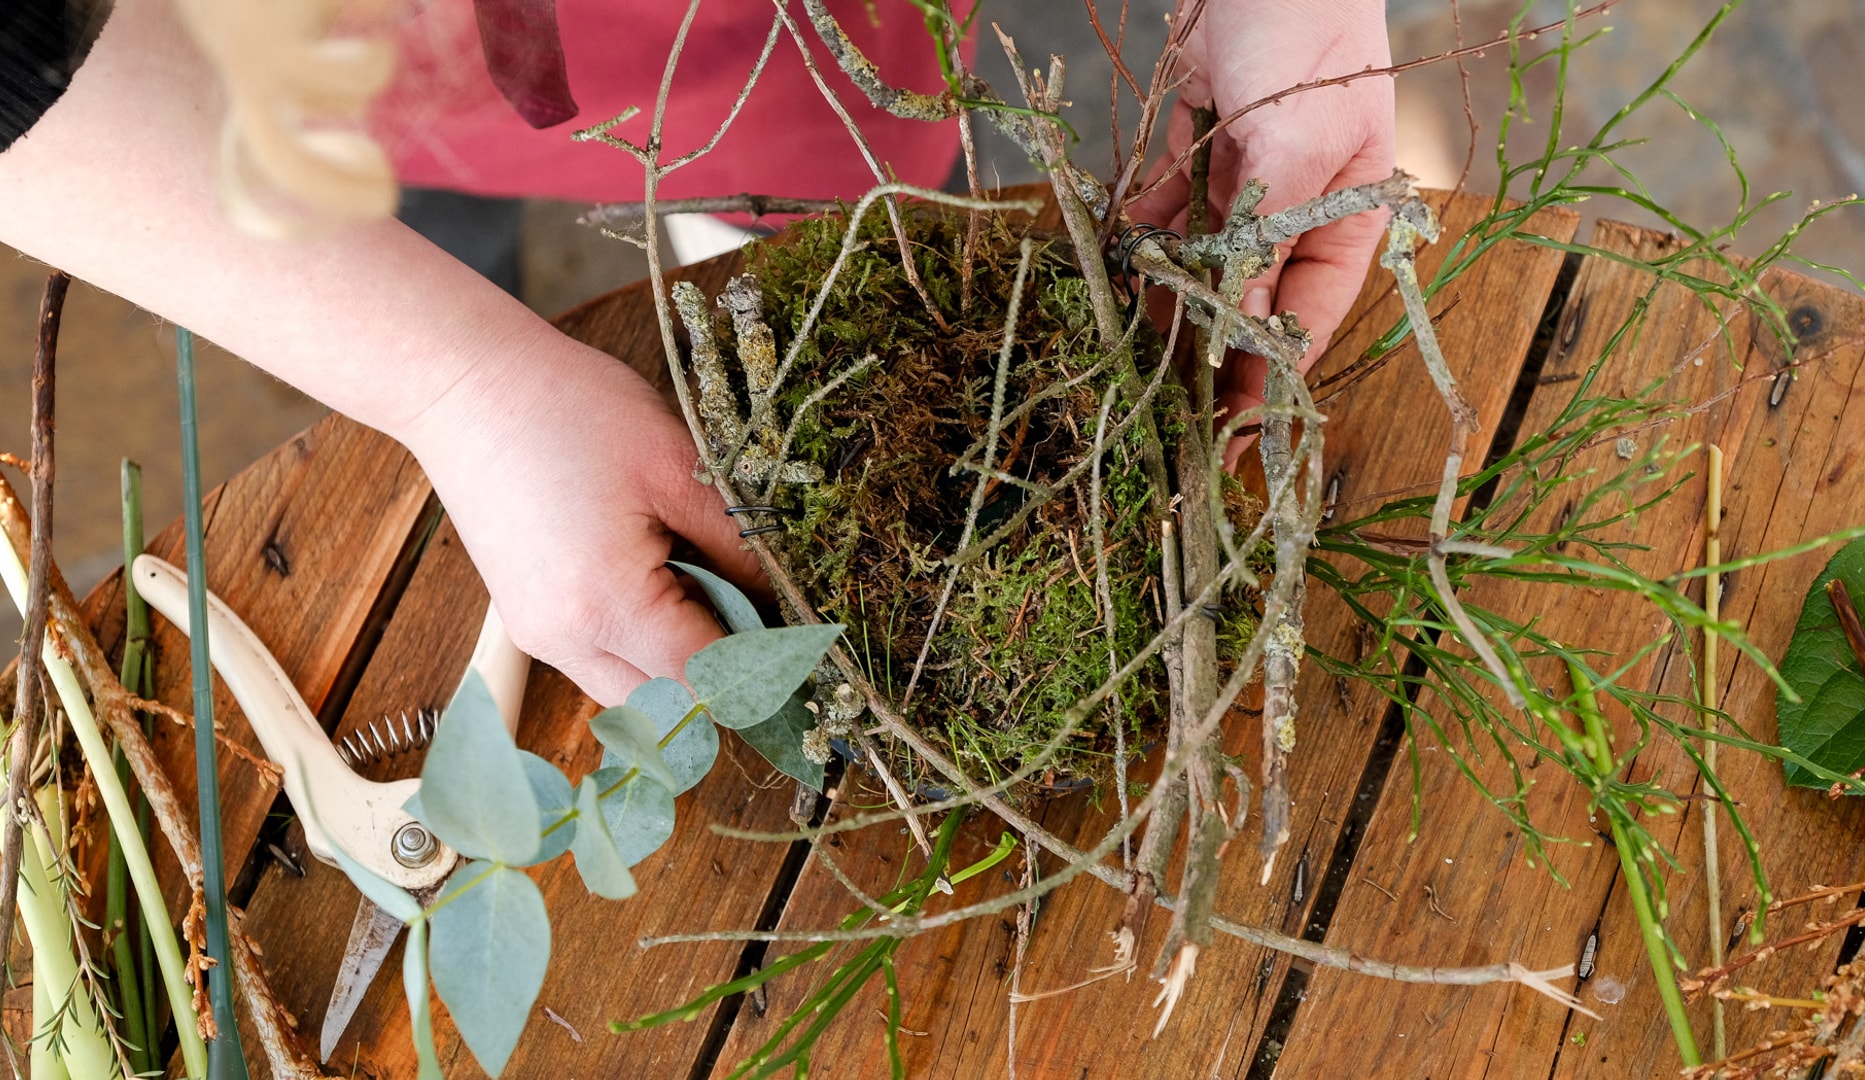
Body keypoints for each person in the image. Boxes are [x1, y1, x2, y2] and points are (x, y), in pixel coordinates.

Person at [0, 0, 1392, 708]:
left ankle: (723, 220)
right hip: (265, 49)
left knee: (808, 179)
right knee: (361, 173)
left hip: (749, 34)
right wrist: (449, 376)